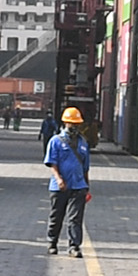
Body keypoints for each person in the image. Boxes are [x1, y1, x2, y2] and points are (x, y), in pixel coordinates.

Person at [43, 105, 92, 255]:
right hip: (59, 187)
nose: (75, 127)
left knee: (75, 218)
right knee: (56, 216)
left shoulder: (83, 143)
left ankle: (74, 246)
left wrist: (87, 186)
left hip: (78, 187)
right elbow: (52, 162)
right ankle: (52, 242)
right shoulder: (55, 141)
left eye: (77, 124)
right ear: (65, 123)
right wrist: (58, 179)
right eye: (72, 124)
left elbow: (85, 167)